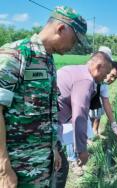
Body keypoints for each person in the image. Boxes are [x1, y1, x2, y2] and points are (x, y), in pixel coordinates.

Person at [0, 6, 87, 187]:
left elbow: (47, 112)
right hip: (17, 170)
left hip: (42, 168)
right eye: (74, 41)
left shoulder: (48, 61)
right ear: (61, 29)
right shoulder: (16, 54)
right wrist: (3, 168)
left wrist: (53, 148)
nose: (74, 47)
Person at [57, 51, 112, 183]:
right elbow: (79, 115)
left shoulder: (74, 69)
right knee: (59, 169)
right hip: (47, 125)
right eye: (105, 74)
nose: (105, 78)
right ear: (98, 66)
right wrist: (82, 150)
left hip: (48, 120)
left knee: (58, 163)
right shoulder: (85, 81)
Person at [89, 46, 117, 143]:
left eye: (115, 78)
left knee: (96, 112)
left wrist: (113, 123)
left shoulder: (103, 84)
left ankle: (92, 133)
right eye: (111, 74)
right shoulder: (87, 80)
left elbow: (106, 102)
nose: (112, 79)